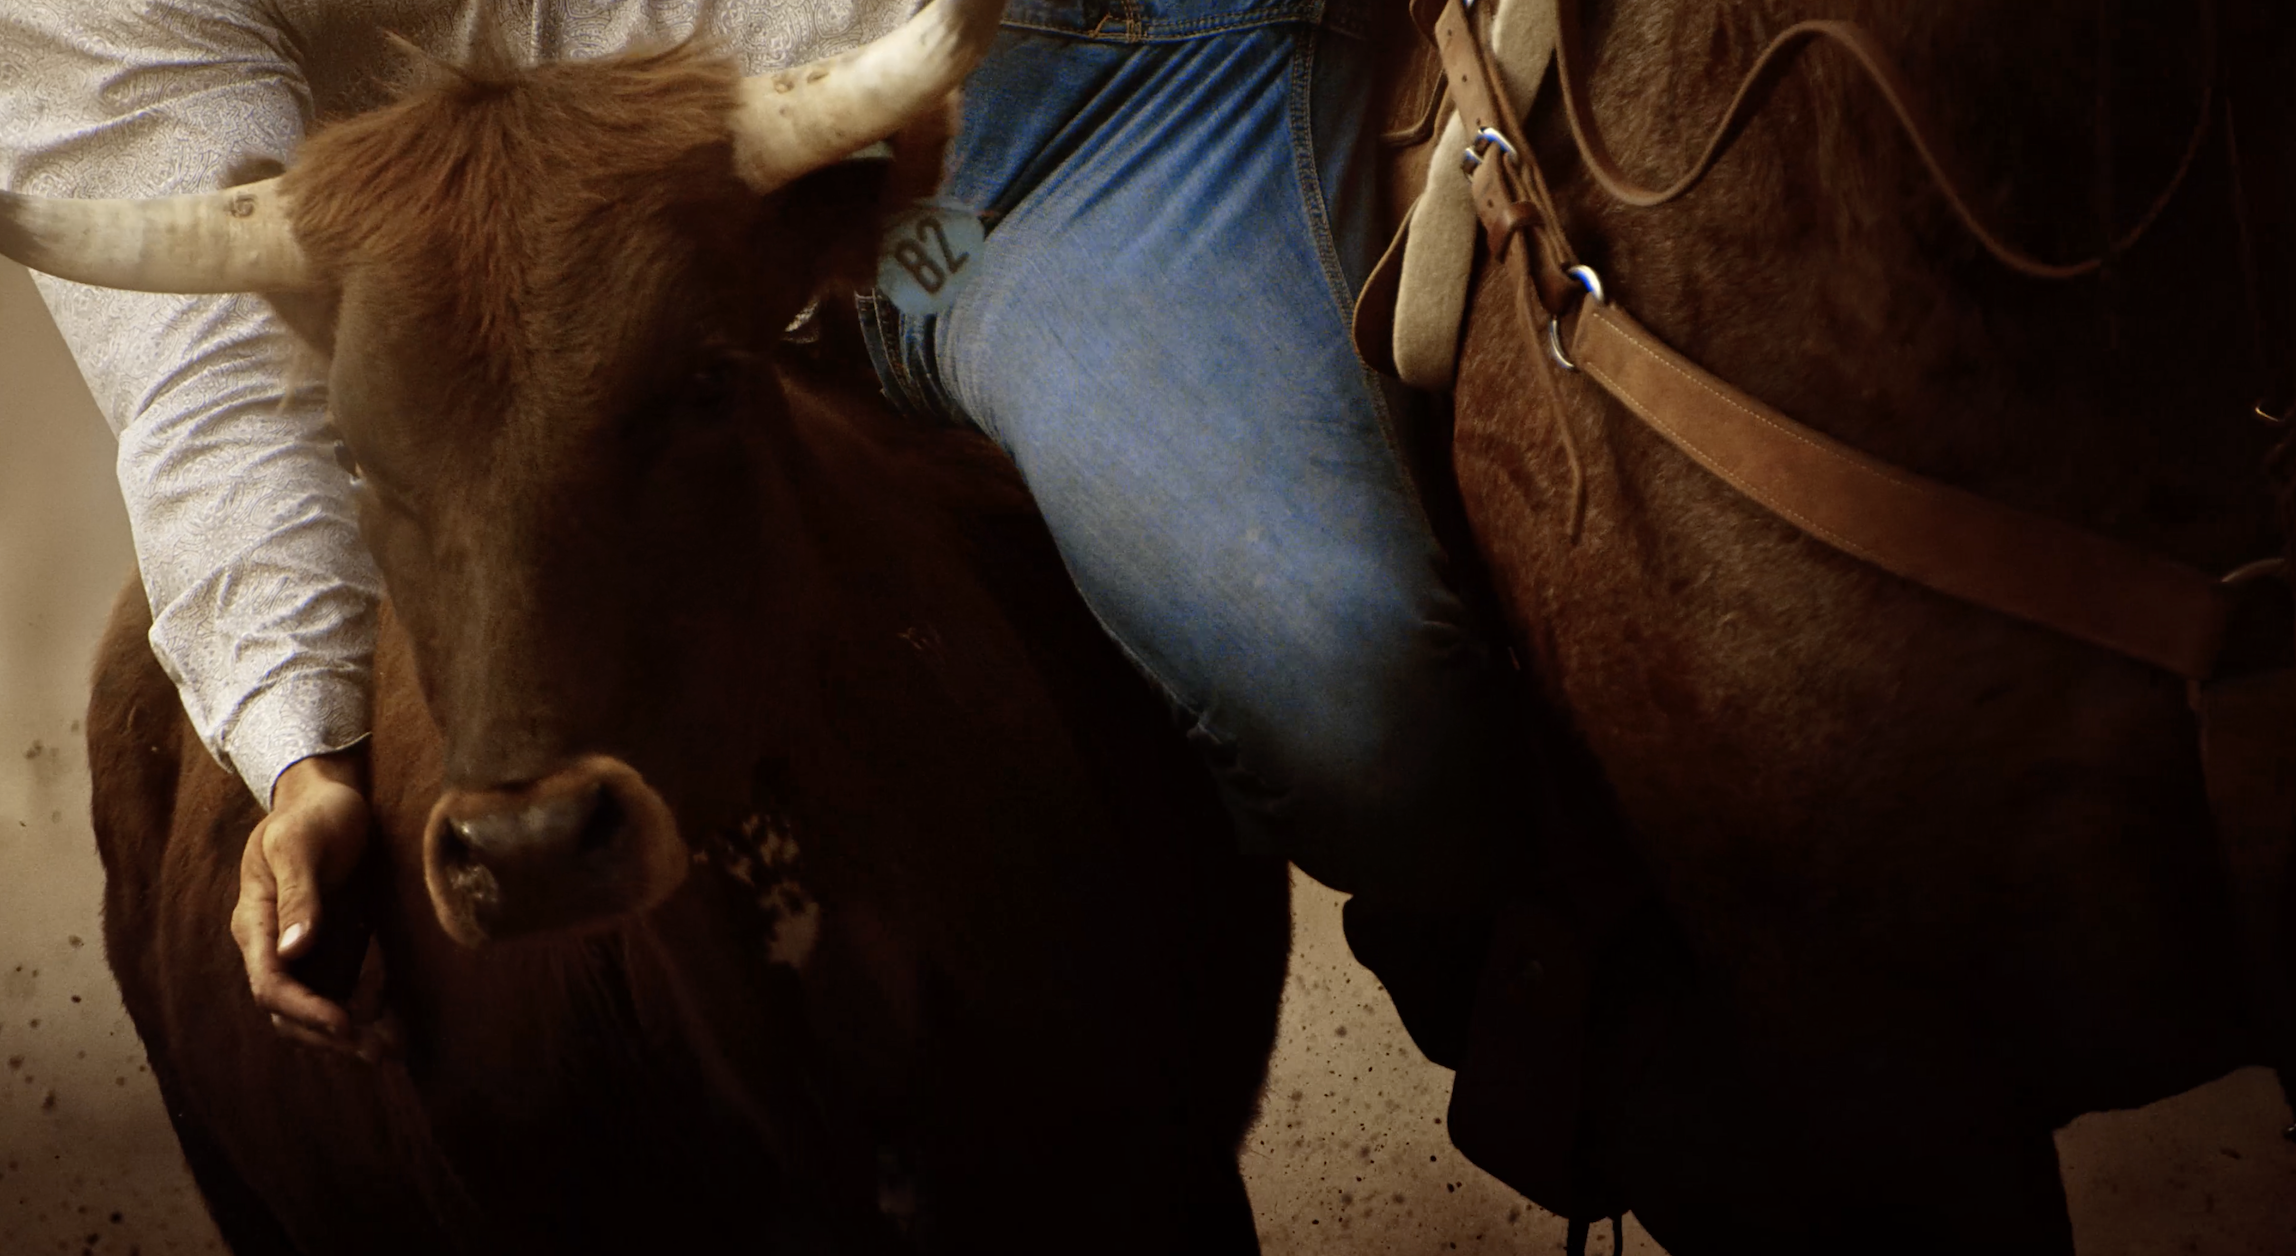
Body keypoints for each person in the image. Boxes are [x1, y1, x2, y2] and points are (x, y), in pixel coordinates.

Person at [2, 0, 1531, 1063]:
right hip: (598, 332)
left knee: (1345, 683)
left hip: (1048, 117)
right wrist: (304, 748)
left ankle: (1551, 998)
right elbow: (214, 351)